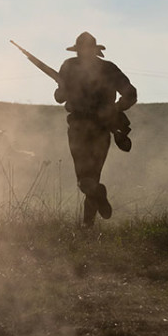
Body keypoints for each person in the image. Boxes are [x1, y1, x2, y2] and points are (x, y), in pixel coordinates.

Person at [53, 32, 137, 226]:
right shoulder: (104, 68)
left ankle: (88, 223)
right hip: (94, 128)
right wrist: (116, 108)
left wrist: (115, 109)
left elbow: (59, 97)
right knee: (88, 180)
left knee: (87, 179)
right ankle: (91, 216)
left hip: (89, 128)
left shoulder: (71, 66)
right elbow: (130, 94)